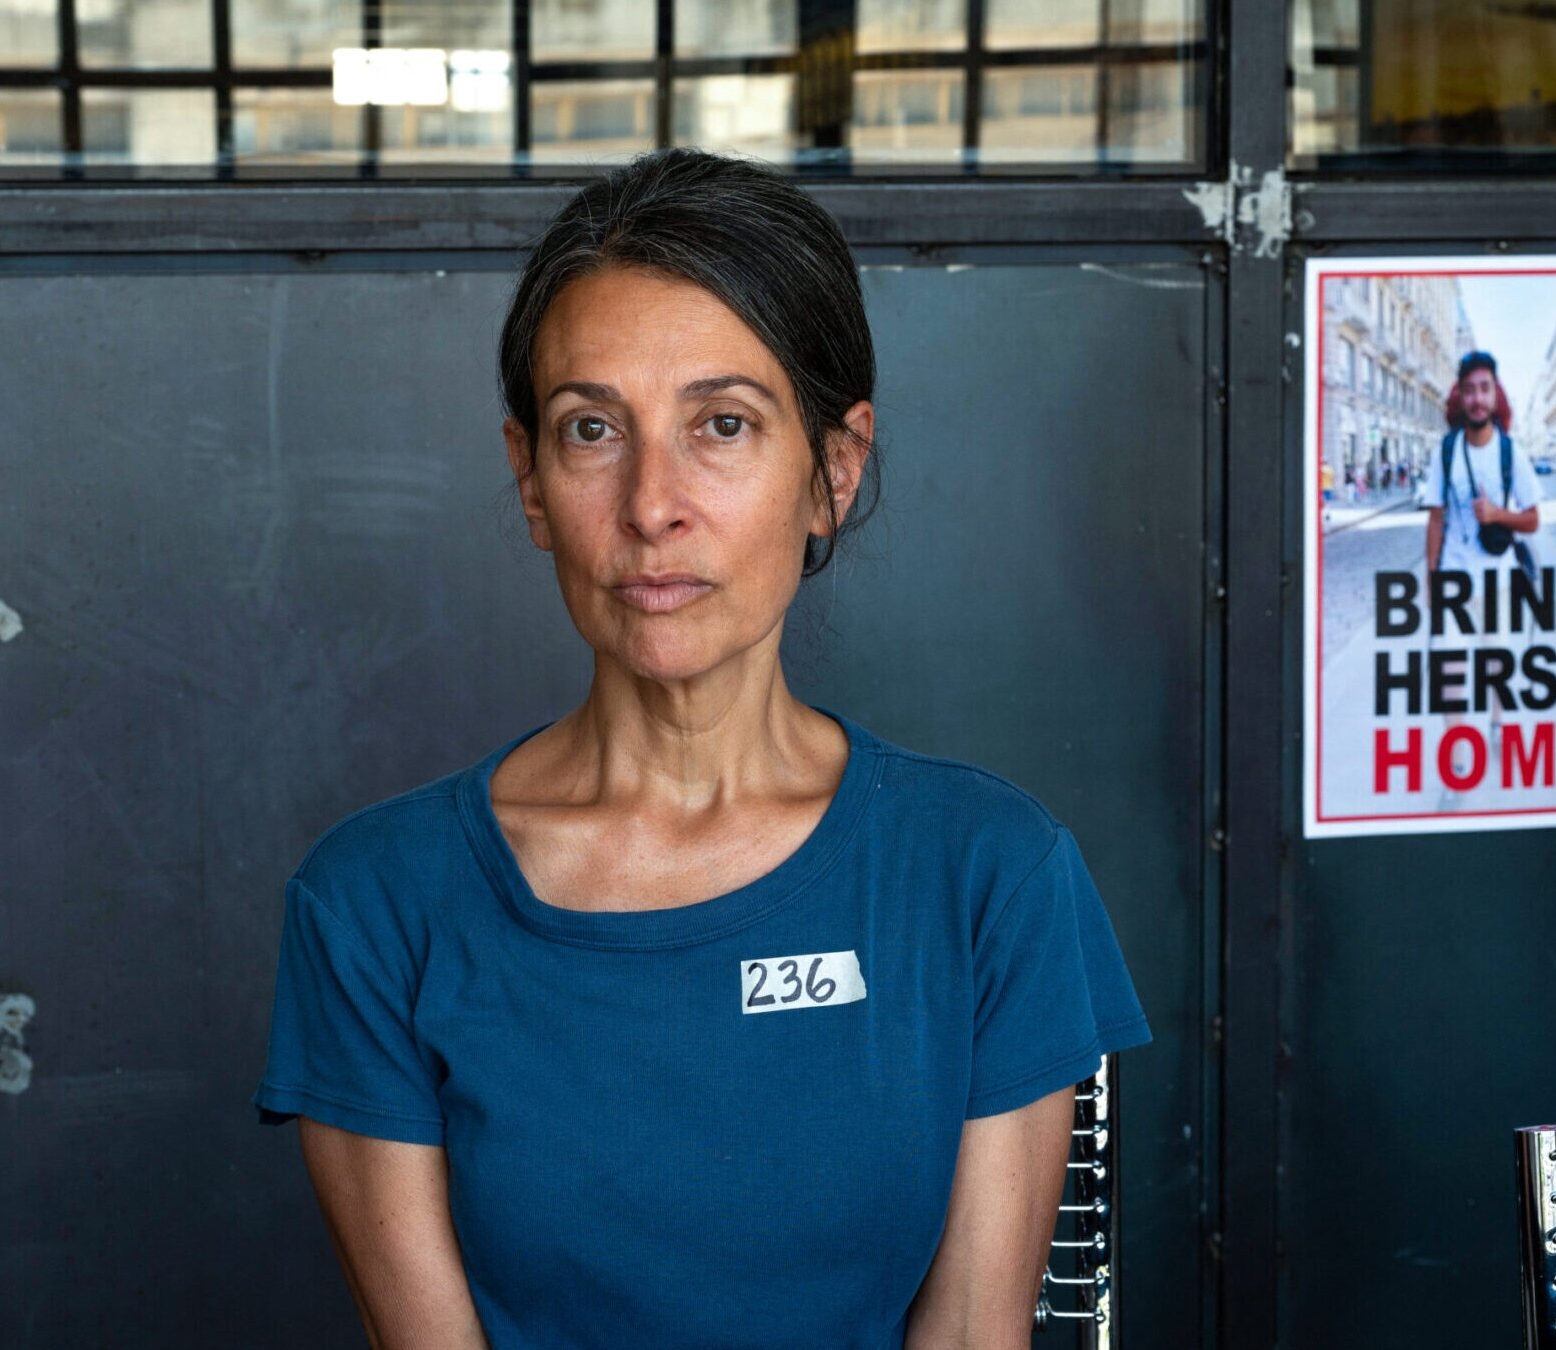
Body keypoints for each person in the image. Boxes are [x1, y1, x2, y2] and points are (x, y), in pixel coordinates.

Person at [251, 147, 1152, 1349]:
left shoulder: (986, 878)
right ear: (528, 479)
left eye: (722, 424)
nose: (650, 504)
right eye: (590, 431)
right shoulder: (377, 906)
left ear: (834, 470)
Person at [1417, 349, 1543, 805]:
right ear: (1460, 396)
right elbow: (1435, 520)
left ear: (1495, 394)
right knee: (1448, 670)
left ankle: (1496, 723)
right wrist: (1432, 580)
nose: (1476, 398)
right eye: (1468, 389)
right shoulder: (1445, 451)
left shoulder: (1513, 453)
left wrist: (1497, 514)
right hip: (1455, 578)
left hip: (1500, 583)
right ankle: (1457, 766)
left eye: (1484, 388)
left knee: (1498, 666)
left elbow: (1532, 521)